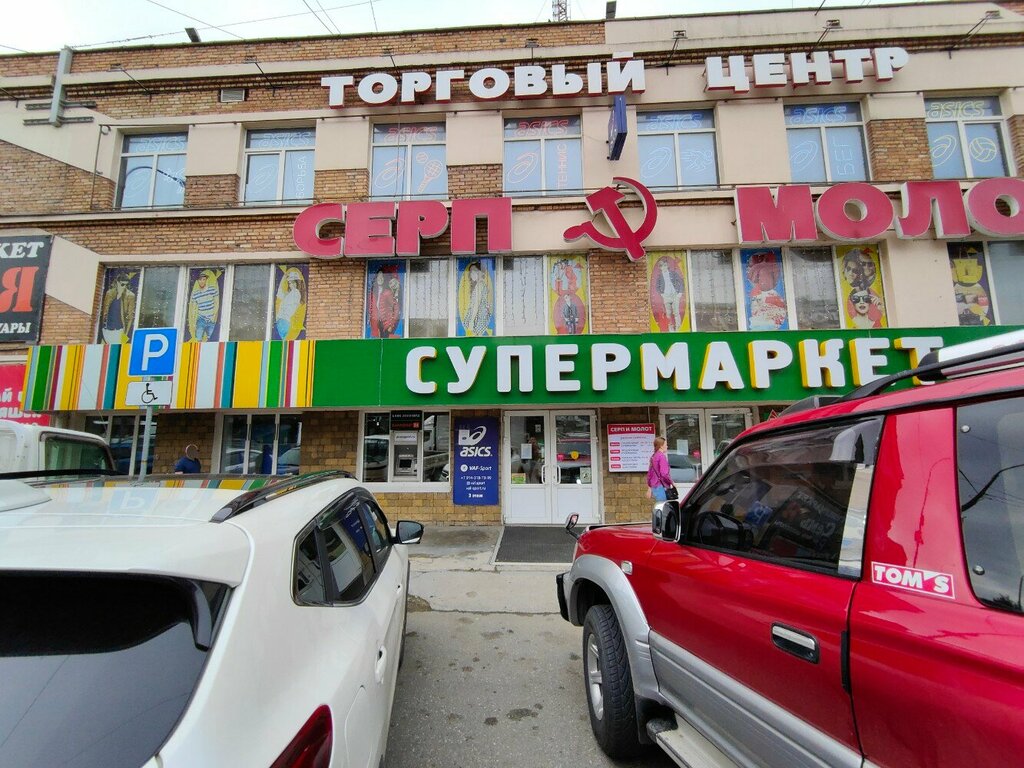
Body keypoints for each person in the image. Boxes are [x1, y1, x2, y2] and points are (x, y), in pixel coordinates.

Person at [100, 271, 137, 344]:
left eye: (126, 285)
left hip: (119, 330)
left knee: (116, 349)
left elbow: (130, 317)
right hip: (106, 329)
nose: (124, 287)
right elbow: (104, 312)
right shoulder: (110, 293)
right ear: (117, 283)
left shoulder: (130, 296)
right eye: (122, 284)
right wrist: (102, 328)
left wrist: (125, 334)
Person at [646, 436, 675, 502]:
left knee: (659, 505)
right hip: (661, 487)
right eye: (666, 445)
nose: (667, 446)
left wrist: (649, 488)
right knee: (663, 506)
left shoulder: (653, 456)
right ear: (661, 446)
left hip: (655, 487)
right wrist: (672, 482)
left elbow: (649, 474)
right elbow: (664, 474)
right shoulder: (661, 457)